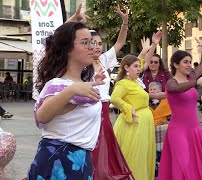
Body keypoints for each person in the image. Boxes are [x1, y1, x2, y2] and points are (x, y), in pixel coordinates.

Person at [27, 22, 105, 180]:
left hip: (78, 161)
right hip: (59, 162)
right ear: (68, 48)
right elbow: (42, 116)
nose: (92, 46)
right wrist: (71, 91)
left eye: (92, 41)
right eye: (85, 42)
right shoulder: (59, 85)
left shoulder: (79, 84)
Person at [158, 39, 202, 180]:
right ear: (176, 64)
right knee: (182, 165)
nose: (189, 65)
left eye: (190, 62)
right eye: (185, 62)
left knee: (194, 166)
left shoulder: (191, 77)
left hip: (194, 130)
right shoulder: (172, 82)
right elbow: (176, 89)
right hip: (178, 131)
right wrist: (195, 82)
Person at [90, 5, 133, 180]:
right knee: (93, 150)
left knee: (106, 152)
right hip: (89, 111)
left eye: (100, 43)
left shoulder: (102, 60)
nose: (98, 47)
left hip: (105, 111)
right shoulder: (80, 64)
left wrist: (125, 23)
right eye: (93, 43)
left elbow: (120, 43)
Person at [111, 55, 155, 180]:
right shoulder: (123, 83)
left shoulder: (134, 82)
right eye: (135, 67)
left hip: (143, 125)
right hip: (134, 125)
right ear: (126, 68)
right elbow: (114, 98)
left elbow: (142, 61)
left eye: (139, 66)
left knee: (143, 156)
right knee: (136, 158)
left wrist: (152, 46)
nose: (139, 69)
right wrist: (127, 108)